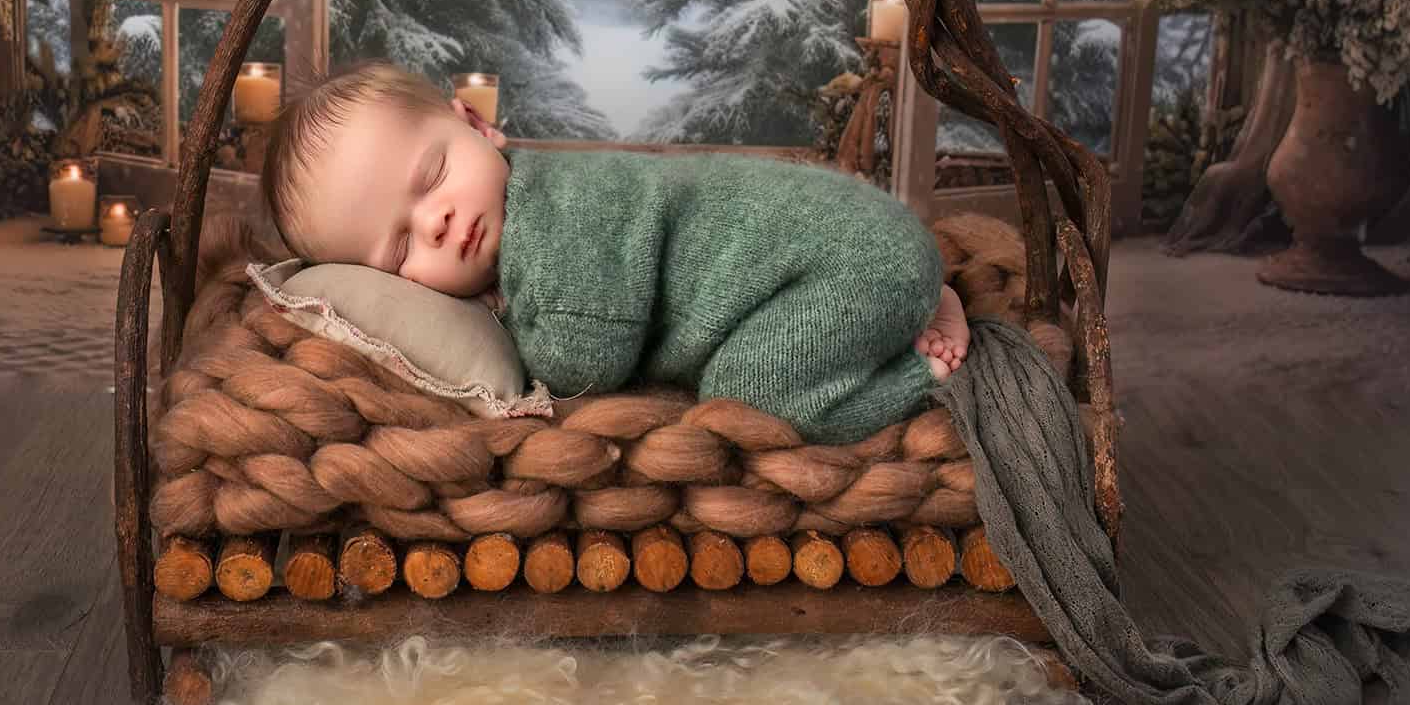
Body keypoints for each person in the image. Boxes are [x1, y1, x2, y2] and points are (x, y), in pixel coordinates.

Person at [261, 59, 968, 445]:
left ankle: (919, 370)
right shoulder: (531, 201)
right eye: (401, 246)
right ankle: (913, 298)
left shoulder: (553, 214)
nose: (439, 222)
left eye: (432, 176)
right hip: (845, 253)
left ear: (476, 124)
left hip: (852, 260)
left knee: (749, 394)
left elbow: (587, 353)